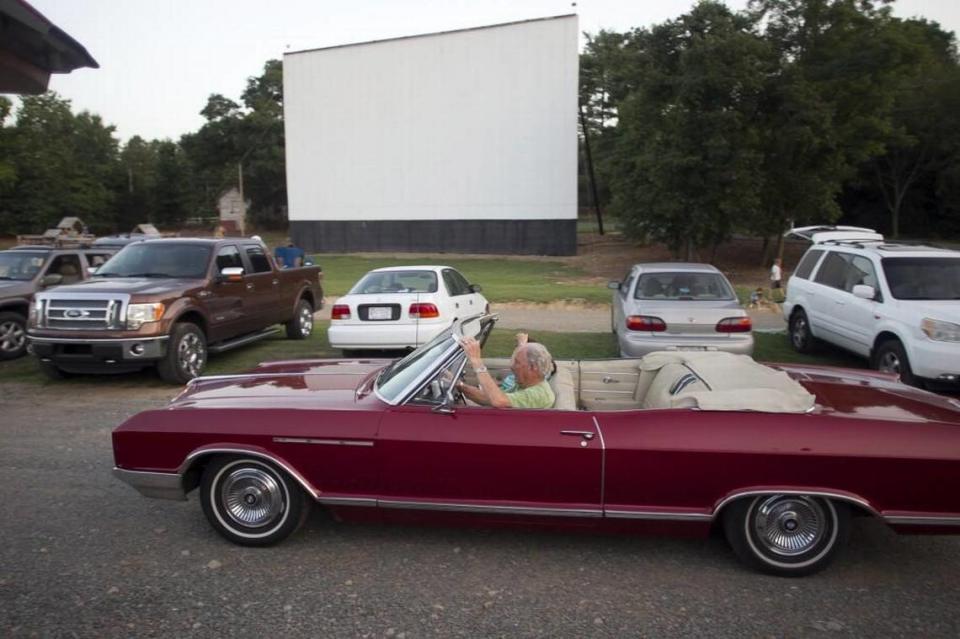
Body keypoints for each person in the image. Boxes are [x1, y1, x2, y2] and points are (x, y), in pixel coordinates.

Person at [457, 336, 555, 409]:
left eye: (517, 362)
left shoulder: (539, 395)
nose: (512, 367)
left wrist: (476, 360)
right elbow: (488, 398)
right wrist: (459, 385)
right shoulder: (524, 385)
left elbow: (499, 401)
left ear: (533, 367)